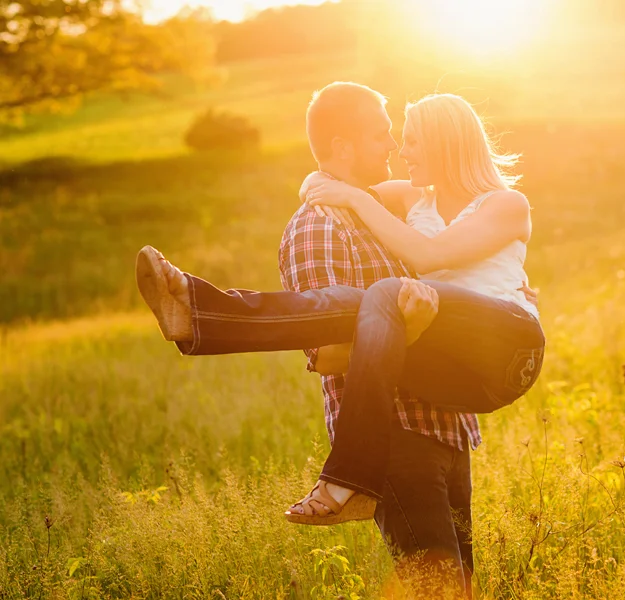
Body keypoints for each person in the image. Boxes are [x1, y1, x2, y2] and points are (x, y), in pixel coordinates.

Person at [136, 82, 543, 597]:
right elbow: (328, 351)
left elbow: (429, 256)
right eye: (388, 136)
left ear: (445, 143)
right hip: (416, 417)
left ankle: (204, 316)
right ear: (346, 146)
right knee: (450, 587)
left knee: (380, 296)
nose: (398, 148)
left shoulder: (502, 203)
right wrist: (407, 327)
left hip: (491, 359)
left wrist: (347, 194)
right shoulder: (356, 214)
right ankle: (198, 316)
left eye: (409, 138)